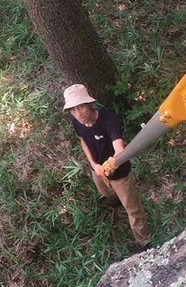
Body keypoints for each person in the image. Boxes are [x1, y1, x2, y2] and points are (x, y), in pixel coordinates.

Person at [63, 83, 150, 251]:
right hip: (97, 171)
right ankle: (115, 199)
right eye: (73, 109)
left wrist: (113, 163)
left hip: (119, 173)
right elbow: (83, 141)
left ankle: (144, 242)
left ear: (89, 104)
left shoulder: (109, 120)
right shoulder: (77, 123)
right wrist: (94, 165)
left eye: (81, 107)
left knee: (133, 210)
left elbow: (119, 148)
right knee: (105, 193)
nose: (78, 113)